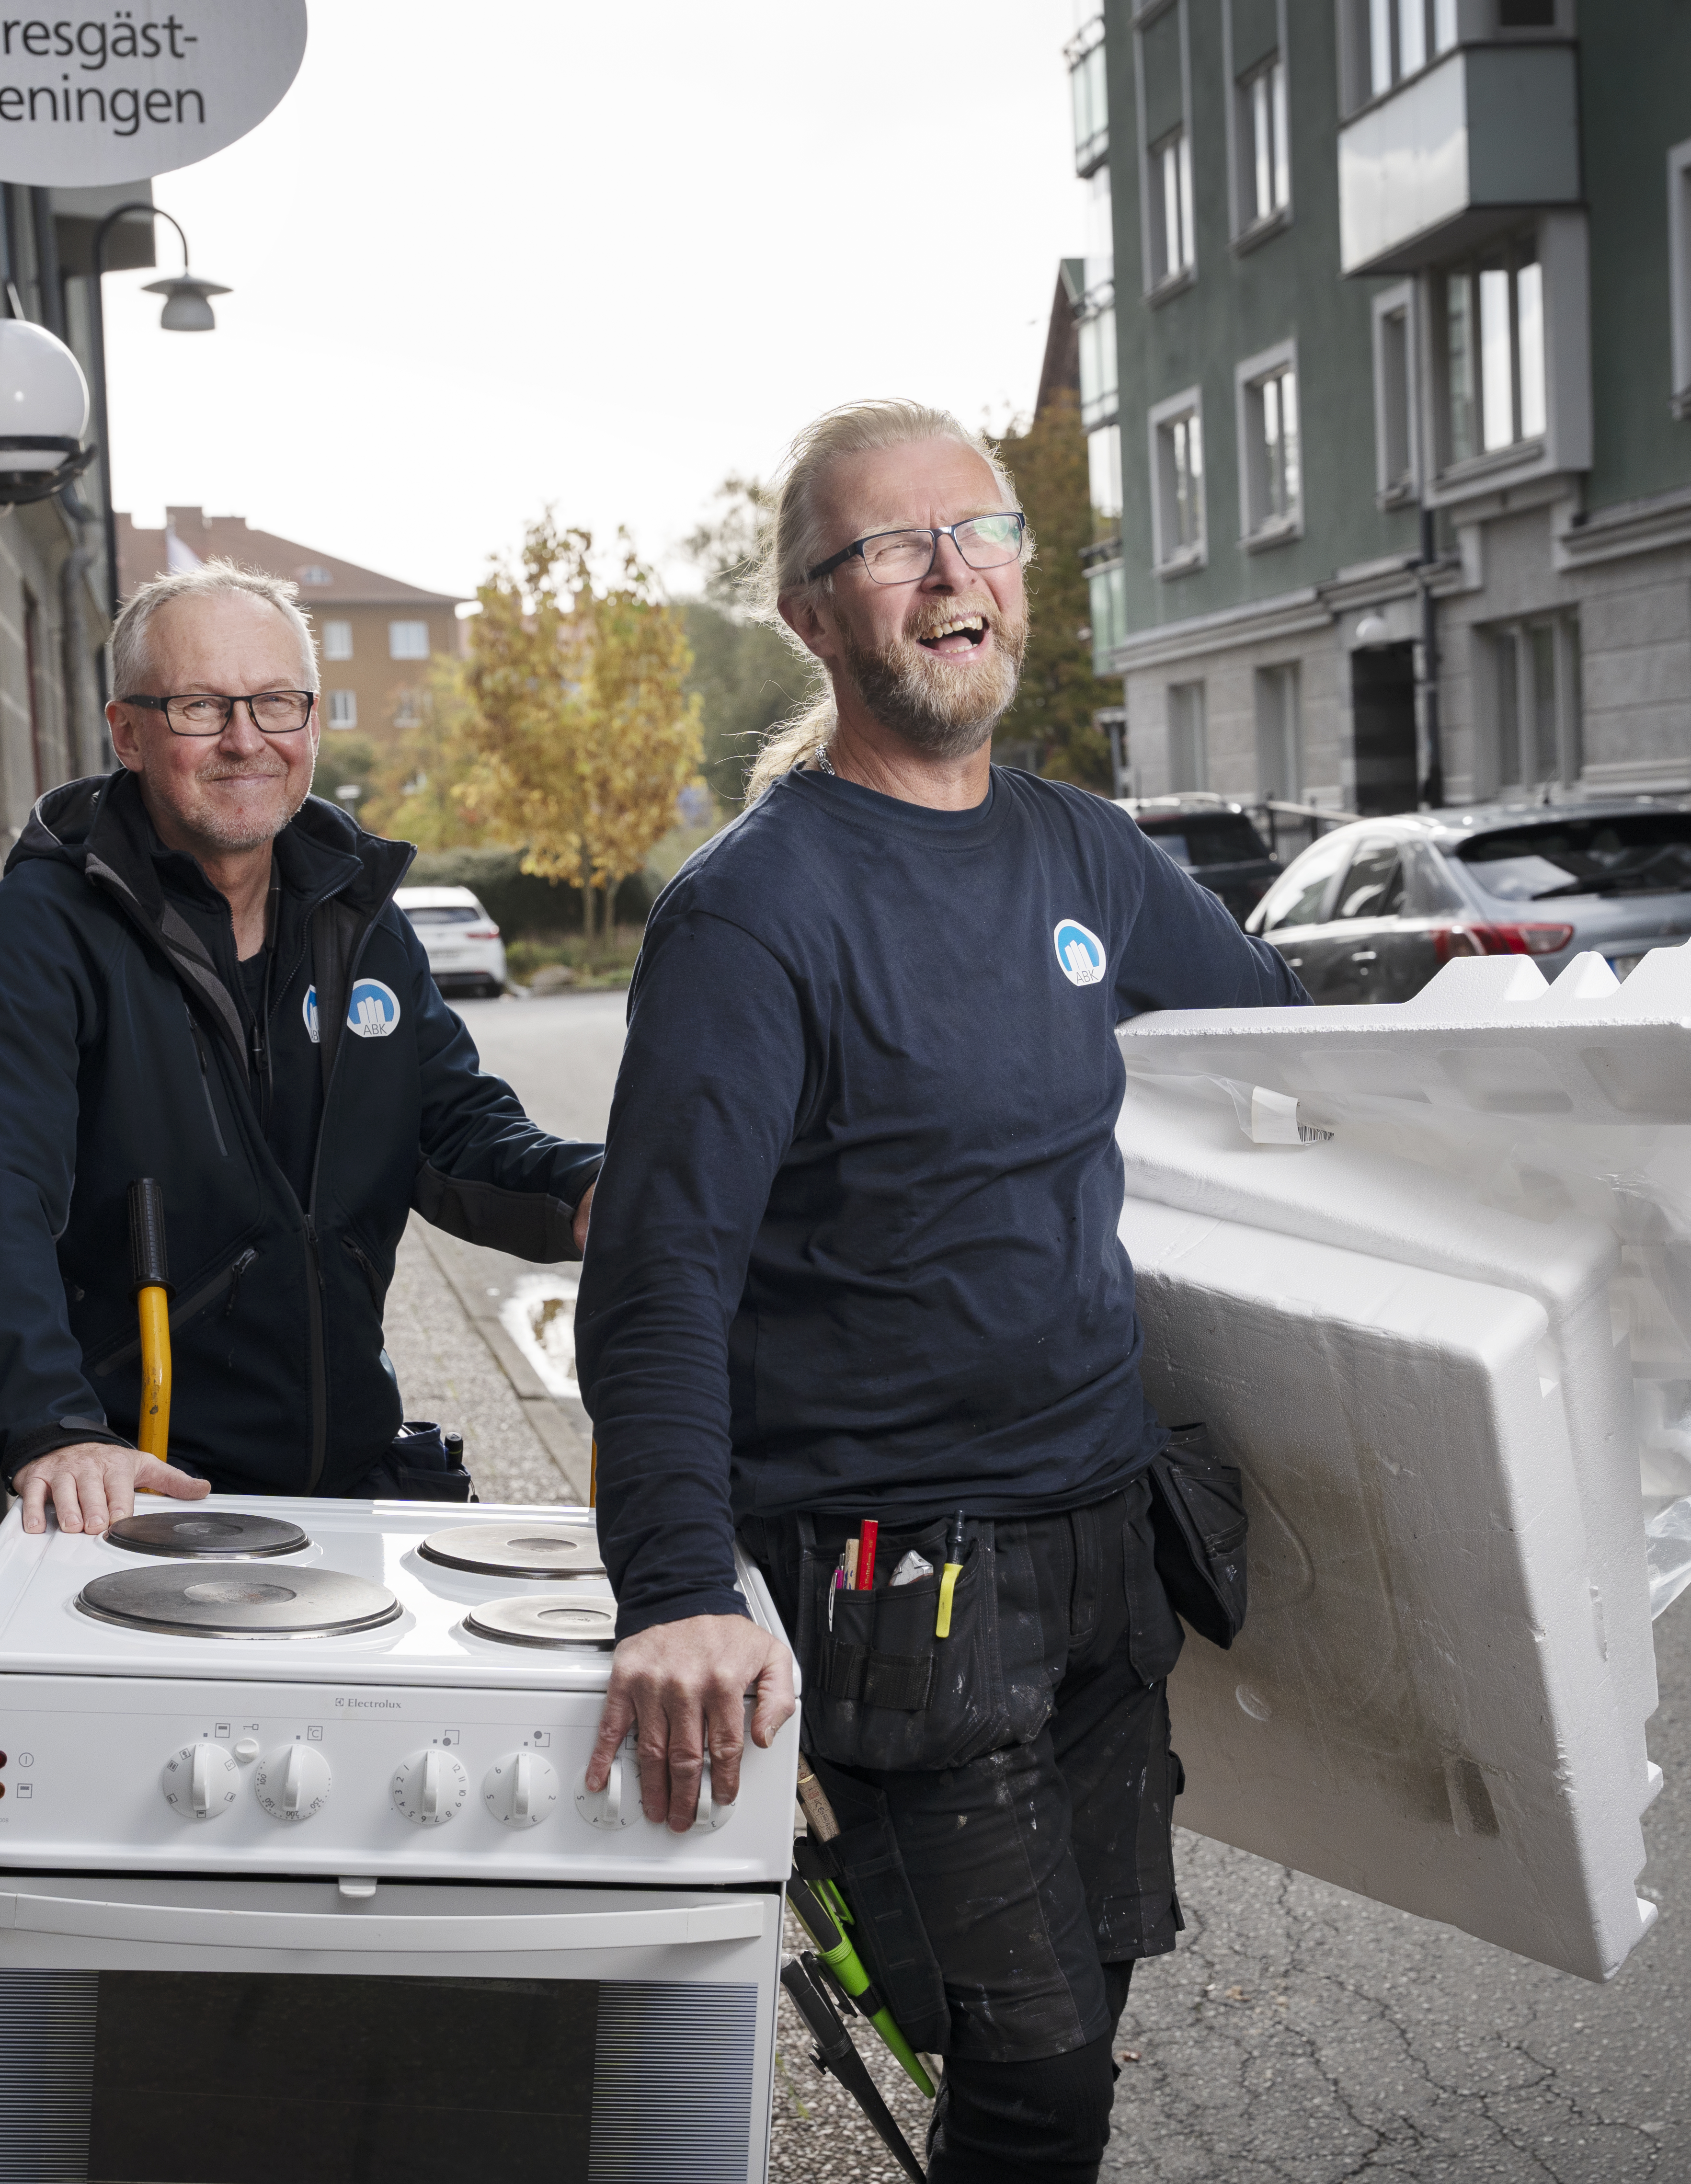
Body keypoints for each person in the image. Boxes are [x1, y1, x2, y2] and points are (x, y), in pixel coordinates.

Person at [575, 401, 1307, 2183]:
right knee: (1032, 2077)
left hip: (1103, 1549)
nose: (948, 571)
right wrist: (674, 1586)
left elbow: (1282, 1034)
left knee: (1075, 2044)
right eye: (888, 546)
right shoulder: (752, 917)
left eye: (976, 531)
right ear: (812, 617)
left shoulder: (1080, 853)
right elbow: (660, 1276)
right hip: (895, 1578)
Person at [0, 560, 598, 1534]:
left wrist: (587, 1196)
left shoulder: (355, 918)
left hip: (350, 1482)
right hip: (140, 1490)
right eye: (199, 706)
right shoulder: (45, 930)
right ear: (128, 732)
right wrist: (50, 1427)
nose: (245, 740)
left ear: (312, 723)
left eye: (277, 704)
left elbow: (448, 1132)